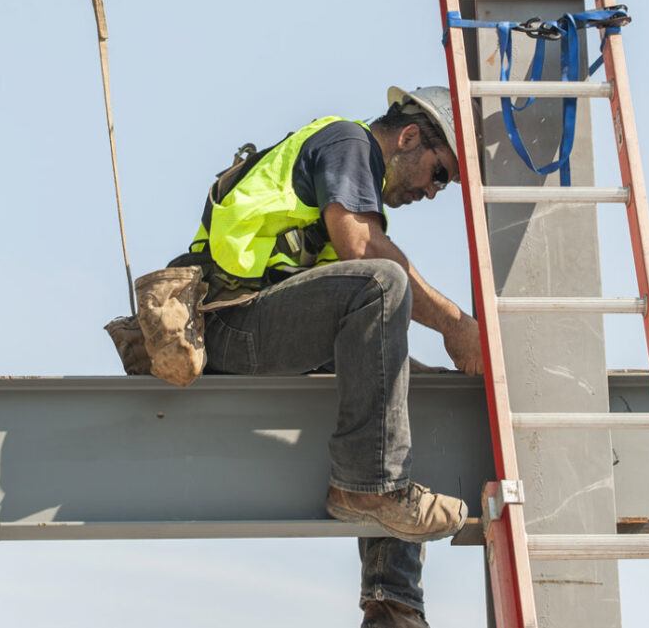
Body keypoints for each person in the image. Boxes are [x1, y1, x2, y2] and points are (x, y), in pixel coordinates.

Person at [174, 86, 484, 628]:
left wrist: (409, 367)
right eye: (439, 174)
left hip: (263, 323)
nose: (434, 193)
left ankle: (394, 603)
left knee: (400, 387)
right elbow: (360, 251)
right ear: (410, 136)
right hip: (230, 319)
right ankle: (369, 490)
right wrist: (458, 327)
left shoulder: (350, 173)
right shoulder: (349, 142)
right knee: (383, 282)